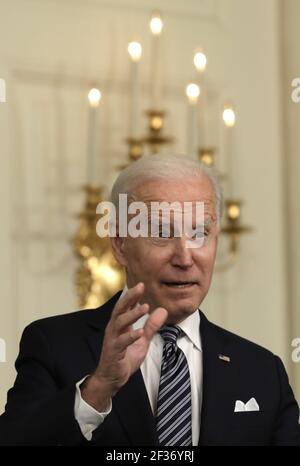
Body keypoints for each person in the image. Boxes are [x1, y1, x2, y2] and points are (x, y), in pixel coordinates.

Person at [0, 154, 299, 446]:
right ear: (120, 244)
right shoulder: (53, 346)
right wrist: (98, 389)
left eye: (199, 233)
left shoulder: (262, 371)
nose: (184, 258)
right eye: (161, 233)